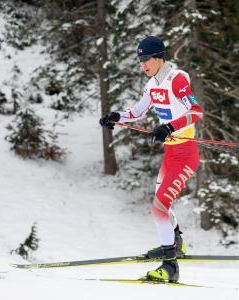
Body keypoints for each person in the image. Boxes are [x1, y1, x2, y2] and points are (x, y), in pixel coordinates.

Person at [99, 36, 203, 282]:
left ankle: (170, 266)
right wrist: (116, 117)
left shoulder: (176, 79)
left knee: (158, 208)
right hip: (170, 153)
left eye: (146, 59)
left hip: (185, 153)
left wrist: (169, 127)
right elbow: (137, 112)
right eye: (139, 60)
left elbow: (196, 111)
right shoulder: (152, 84)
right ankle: (175, 242)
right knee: (161, 204)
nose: (142, 64)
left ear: (159, 58)